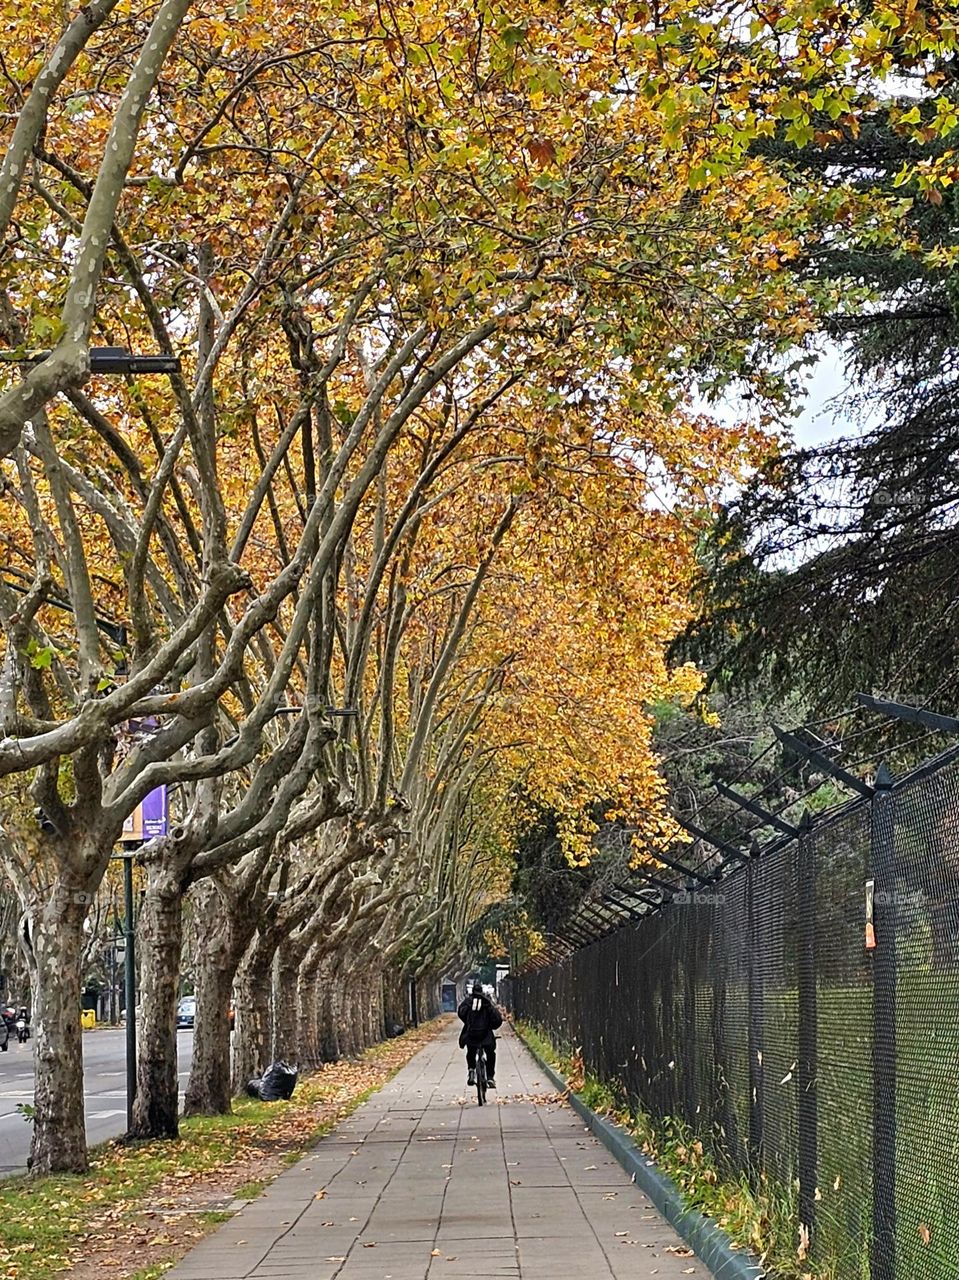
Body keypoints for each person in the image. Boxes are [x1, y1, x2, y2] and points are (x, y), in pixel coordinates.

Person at [458, 981, 502, 1088]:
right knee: (491, 1053)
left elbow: (461, 1013)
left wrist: (468, 1023)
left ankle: (471, 1070)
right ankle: (490, 1077)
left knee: (471, 1051)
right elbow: (497, 1019)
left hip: (471, 1035)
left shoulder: (468, 1002)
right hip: (486, 1035)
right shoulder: (487, 1003)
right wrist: (491, 1026)